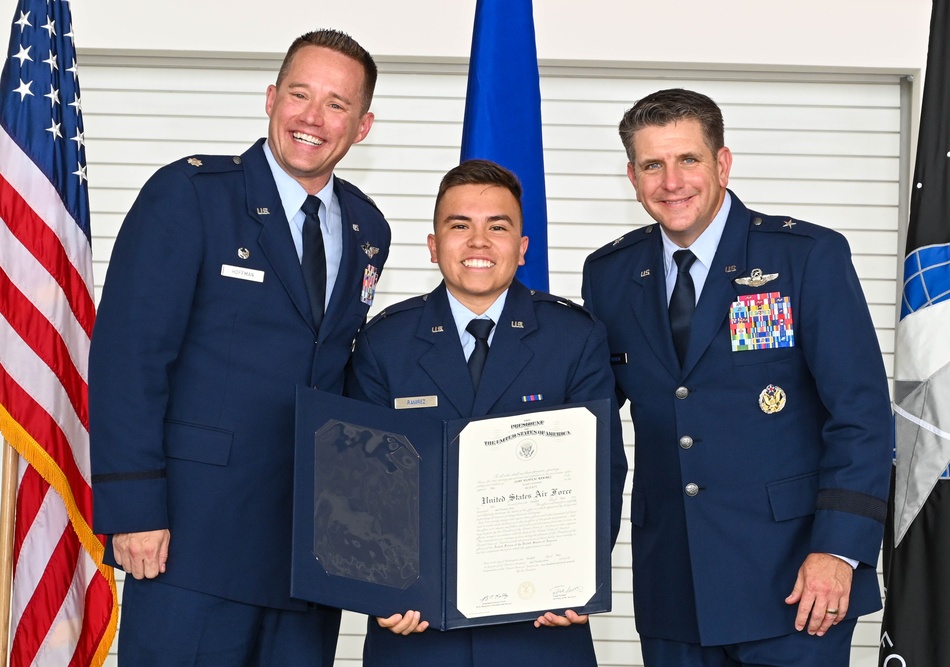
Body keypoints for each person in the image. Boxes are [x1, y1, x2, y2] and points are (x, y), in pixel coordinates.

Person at [88, 29, 390, 666]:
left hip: (309, 549)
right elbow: (129, 358)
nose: (312, 117)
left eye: (336, 104)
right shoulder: (192, 195)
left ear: (361, 127)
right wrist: (135, 508)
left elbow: (338, 371)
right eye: (300, 94)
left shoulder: (368, 228)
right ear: (271, 97)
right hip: (192, 538)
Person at [581, 89, 893, 667]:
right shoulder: (610, 274)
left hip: (796, 583)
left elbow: (862, 416)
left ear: (722, 163)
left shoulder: (805, 256)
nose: (671, 182)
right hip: (674, 582)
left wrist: (838, 551)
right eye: (653, 164)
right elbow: (588, 427)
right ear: (632, 176)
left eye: (688, 160)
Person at [346, 159, 628, 666]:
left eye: (497, 227)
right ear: (434, 246)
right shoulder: (384, 341)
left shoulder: (575, 338)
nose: (479, 242)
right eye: (460, 226)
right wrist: (380, 587)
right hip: (417, 627)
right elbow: (361, 479)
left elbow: (601, 469)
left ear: (522, 249)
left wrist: (578, 579)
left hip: (539, 627)